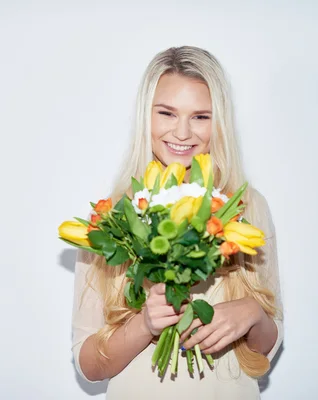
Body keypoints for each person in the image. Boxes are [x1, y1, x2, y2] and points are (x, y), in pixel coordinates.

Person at [71, 45, 284, 399]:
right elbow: (89, 365)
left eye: (201, 116)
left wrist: (252, 314)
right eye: (167, 113)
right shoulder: (113, 218)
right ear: (146, 116)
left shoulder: (248, 206)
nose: (183, 133)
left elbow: (264, 348)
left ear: (220, 122)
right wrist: (145, 323)